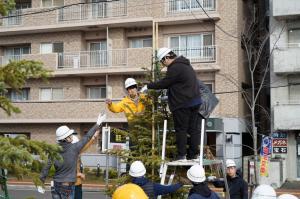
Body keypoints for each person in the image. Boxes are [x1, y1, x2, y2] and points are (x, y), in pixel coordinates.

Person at [140, 47, 202, 160]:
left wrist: (148, 86)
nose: (163, 65)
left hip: (183, 104)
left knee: (181, 129)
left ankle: (181, 155)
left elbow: (166, 82)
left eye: (162, 61)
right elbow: (177, 84)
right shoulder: (185, 64)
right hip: (195, 102)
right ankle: (193, 155)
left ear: (167, 57)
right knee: (193, 129)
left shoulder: (174, 67)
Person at [39, 113, 106, 199]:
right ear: (65, 138)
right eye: (69, 135)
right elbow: (87, 136)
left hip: (55, 186)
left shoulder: (54, 151)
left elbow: (46, 167)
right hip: (67, 187)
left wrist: (41, 182)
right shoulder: (74, 148)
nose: (71, 136)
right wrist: (98, 123)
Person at [71, 131, 100, 199]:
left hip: (77, 184)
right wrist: (79, 174)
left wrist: (94, 137)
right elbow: (65, 171)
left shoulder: (76, 152)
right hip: (71, 185)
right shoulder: (69, 155)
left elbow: (86, 145)